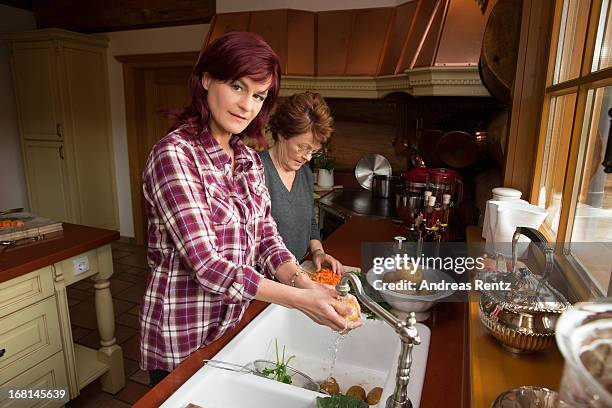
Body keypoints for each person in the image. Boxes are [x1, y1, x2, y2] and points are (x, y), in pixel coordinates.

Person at [139, 32, 361, 387]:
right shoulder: (175, 155)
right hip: (185, 338)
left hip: (235, 327)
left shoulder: (246, 159)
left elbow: (266, 238)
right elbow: (207, 266)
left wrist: (306, 285)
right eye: (237, 86)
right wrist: (300, 300)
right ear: (207, 78)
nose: (247, 106)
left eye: (258, 96)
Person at [260, 92, 344, 273]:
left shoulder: (305, 173)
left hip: (299, 274)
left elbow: (309, 221)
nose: (307, 157)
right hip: (266, 284)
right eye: (302, 147)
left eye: (313, 151)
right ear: (282, 134)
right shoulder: (257, 171)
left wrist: (318, 252)